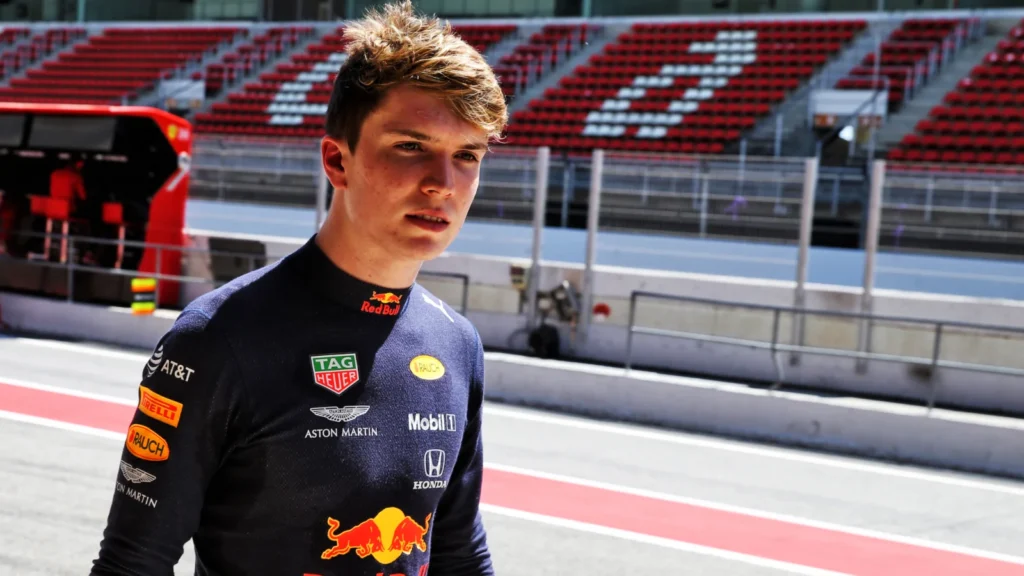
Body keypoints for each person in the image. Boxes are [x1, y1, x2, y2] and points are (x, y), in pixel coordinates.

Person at [90, 2, 506, 574]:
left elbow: (459, 553)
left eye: (467, 156)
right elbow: (131, 563)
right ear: (337, 159)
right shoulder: (218, 338)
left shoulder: (457, 344)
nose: (443, 184)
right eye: (411, 147)